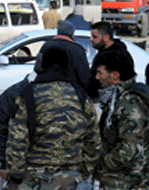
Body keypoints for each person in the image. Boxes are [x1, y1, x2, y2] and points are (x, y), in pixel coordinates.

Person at [6, 47, 100, 190]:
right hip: (69, 175)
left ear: (42, 64)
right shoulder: (82, 97)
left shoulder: (29, 95)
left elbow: (18, 139)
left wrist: (16, 174)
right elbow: (93, 141)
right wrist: (83, 173)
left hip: (34, 175)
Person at [93, 49, 149, 190]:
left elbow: (129, 148)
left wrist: (102, 165)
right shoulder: (116, 98)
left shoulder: (129, 102)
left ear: (115, 76)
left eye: (100, 73)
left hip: (125, 182)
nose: (96, 77)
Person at [38, 20, 90, 90]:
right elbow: (84, 76)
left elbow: (38, 69)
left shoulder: (46, 46)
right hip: (71, 92)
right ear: (72, 34)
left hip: (47, 91)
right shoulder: (77, 49)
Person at [87, 21, 134, 99]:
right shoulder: (105, 52)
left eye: (95, 37)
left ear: (106, 37)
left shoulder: (112, 56)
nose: (91, 39)